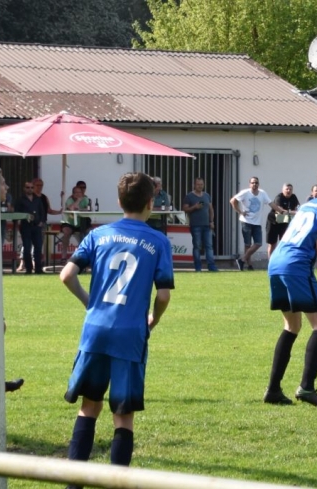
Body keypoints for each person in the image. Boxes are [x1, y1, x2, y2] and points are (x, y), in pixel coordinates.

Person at [60, 172, 174, 473]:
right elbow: (163, 295)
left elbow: (67, 275)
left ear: (119, 201)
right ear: (150, 203)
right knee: (123, 416)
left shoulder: (98, 235)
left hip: (95, 330)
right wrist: (153, 319)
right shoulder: (158, 241)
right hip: (130, 334)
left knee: (89, 406)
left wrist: (91, 303)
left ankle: (73, 483)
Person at [263, 169, 317, 409]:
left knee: (292, 326)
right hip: (297, 266)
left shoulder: (308, 206)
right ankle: (306, 388)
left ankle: (273, 390)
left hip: (276, 262)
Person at [230, 176, 282, 270]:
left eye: (256, 183)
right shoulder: (245, 193)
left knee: (258, 243)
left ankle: (242, 260)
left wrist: (280, 211)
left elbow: (271, 203)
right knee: (247, 244)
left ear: (258, 184)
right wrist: (240, 212)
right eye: (253, 183)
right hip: (246, 221)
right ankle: (249, 265)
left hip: (257, 223)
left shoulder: (262, 193)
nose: (254, 184)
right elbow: (233, 201)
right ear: (249, 184)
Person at [183, 177, 217, 272]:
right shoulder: (189, 196)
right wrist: (195, 207)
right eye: (198, 184)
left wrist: (211, 221)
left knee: (209, 246)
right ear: (194, 185)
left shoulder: (207, 195)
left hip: (207, 225)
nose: (200, 186)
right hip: (195, 225)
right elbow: (185, 209)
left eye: (202, 184)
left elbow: (211, 209)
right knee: (197, 246)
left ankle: (211, 266)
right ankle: (198, 267)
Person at [14, 181, 47, 274]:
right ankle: (28, 269)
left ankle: (38, 269)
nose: (30, 189)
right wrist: (18, 222)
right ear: (24, 188)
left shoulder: (38, 199)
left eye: (32, 187)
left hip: (37, 226)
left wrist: (41, 222)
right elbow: (16, 212)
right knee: (27, 248)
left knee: (38, 248)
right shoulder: (20, 200)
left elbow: (42, 211)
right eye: (28, 187)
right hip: (26, 226)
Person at [266, 183, 300, 258]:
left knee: (285, 242)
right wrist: (291, 212)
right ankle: (270, 261)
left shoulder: (294, 197)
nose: (288, 191)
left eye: (290, 189)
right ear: (283, 190)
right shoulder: (279, 197)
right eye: (287, 189)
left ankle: (282, 260)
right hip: (274, 222)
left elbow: (298, 210)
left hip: (284, 221)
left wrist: (289, 212)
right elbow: (280, 211)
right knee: (272, 244)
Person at [59, 185, 91, 260]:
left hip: (81, 222)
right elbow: (72, 208)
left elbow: (89, 209)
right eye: (76, 192)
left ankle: (86, 255)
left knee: (89, 232)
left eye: (79, 192)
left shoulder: (85, 199)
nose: (78, 194)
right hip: (69, 222)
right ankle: (64, 256)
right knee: (66, 232)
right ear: (73, 194)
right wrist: (78, 201)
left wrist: (80, 208)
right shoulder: (69, 200)